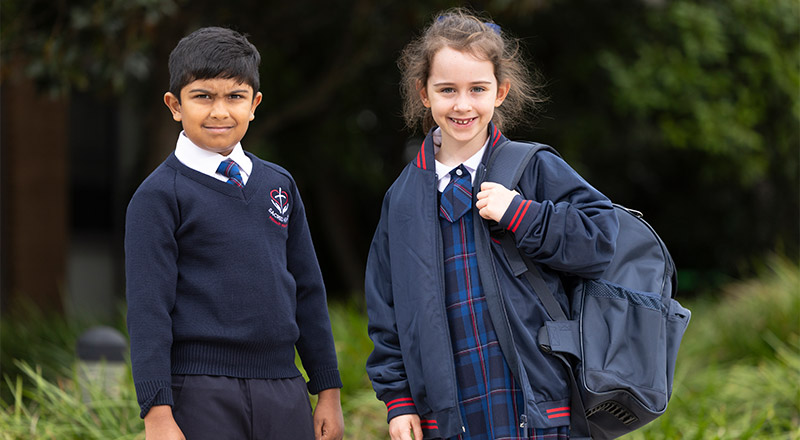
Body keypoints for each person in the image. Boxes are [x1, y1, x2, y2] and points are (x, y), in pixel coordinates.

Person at [364, 9, 619, 440]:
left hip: (541, 407)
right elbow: (385, 308)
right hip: (448, 417)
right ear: (423, 94)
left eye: (477, 89)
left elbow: (599, 242)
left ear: (500, 92)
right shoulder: (402, 199)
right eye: (447, 90)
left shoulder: (533, 167)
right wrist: (399, 401)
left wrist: (524, 214)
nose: (462, 104)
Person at [125, 26, 344, 440]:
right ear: (174, 105)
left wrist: (327, 391)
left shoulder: (280, 185)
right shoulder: (157, 196)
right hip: (199, 393)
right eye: (203, 96)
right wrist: (157, 413)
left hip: (284, 389)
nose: (220, 112)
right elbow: (147, 311)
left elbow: (309, 291)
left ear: (255, 104)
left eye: (235, 97)